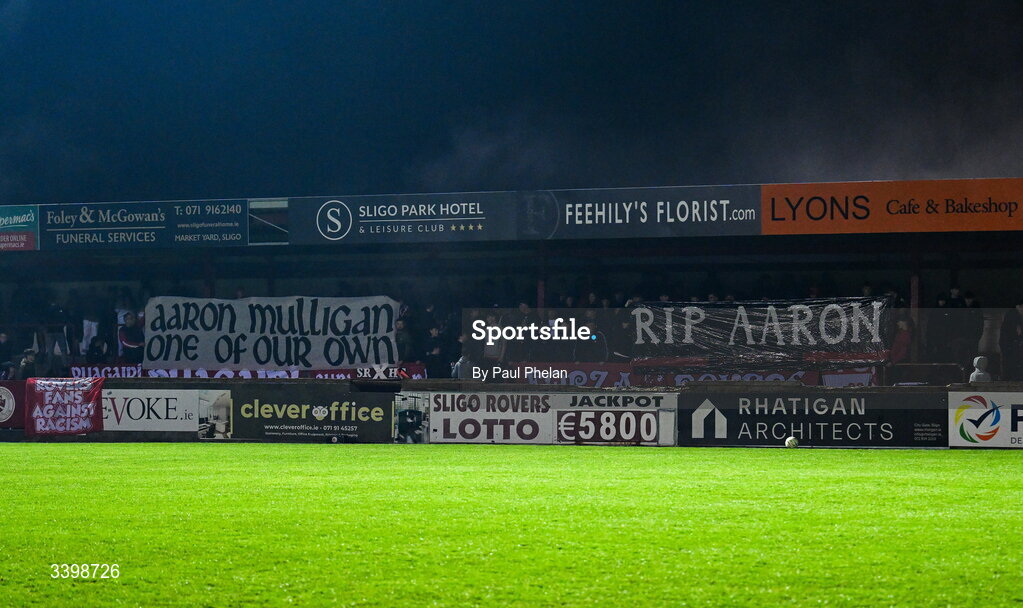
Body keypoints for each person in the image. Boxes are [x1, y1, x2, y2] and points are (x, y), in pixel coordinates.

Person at [999, 301, 1023, 381]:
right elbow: (1008, 333)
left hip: (1014, 345)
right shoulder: (1011, 316)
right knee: (1010, 365)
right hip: (1010, 346)